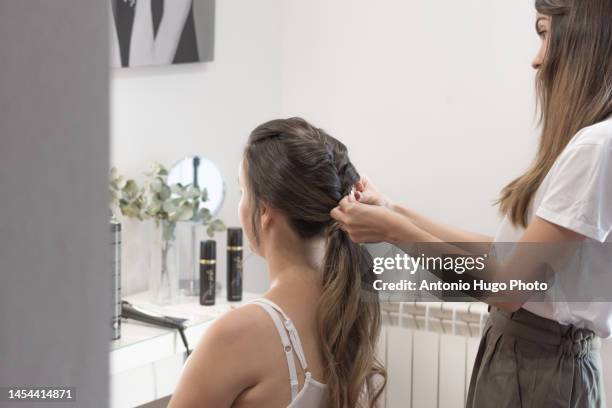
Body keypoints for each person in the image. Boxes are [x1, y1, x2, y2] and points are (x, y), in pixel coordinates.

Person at [331, 0, 612, 406]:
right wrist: (393, 210)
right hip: (520, 352)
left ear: (581, 39)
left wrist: (393, 232)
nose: (536, 61)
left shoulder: (596, 147)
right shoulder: (585, 144)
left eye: (544, 33)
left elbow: (509, 286)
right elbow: (507, 256)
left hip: (541, 366)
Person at [168, 118, 386, 408]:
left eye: (243, 191)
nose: (241, 204)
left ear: (265, 209)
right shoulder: (344, 303)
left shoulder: (236, 334)